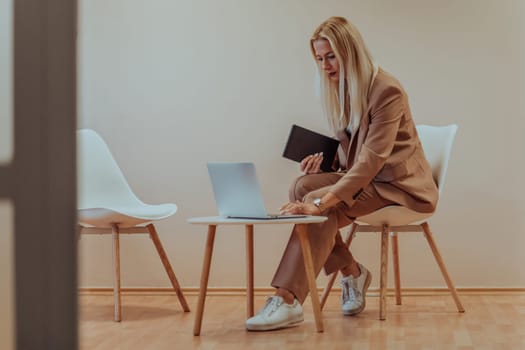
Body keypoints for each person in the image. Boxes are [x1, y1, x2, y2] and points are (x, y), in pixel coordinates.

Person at [245, 16, 439, 331]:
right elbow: (353, 157)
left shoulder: (386, 90)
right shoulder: (344, 90)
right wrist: (324, 166)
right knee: (302, 186)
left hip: (397, 187)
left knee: (316, 201)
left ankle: (287, 299)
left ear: (352, 51)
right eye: (320, 58)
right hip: (370, 180)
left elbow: (372, 160)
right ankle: (352, 273)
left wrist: (321, 203)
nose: (325, 65)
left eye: (332, 56)